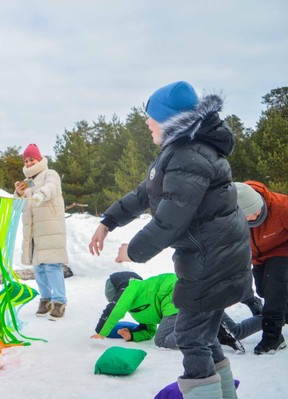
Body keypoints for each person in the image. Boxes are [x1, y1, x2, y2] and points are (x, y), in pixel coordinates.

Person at [88, 81, 252, 399]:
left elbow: (171, 220)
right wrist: (108, 220)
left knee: (190, 337)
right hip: (215, 258)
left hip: (211, 262)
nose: (147, 122)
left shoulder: (189, 155)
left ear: (169, 119)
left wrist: (132, 251)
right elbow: (143, 194)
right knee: (202, 337)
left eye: (151, 116)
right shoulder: (178, 153)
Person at [91, 272, 262, 353]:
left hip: (177, 296)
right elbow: (150, 330)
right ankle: (275, 317)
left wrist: (101, 332)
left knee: (162, 340)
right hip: (196, 296)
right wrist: (133, 336)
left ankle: (208, 331)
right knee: (236, 331)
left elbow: (115, 309)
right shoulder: (135, 310)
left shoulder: (132, 286)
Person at [14, 144, 69, 320]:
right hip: (34, 231)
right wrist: (19, 193)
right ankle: (45, 299)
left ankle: (59, 301)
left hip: (50, 228)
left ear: (39, 159)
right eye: (26, 160)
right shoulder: (27, 181)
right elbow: (17, 207)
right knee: (39, 267)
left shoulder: (49, 174)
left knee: (52, 265)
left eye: (32, 159)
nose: (29, 163)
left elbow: (51, 188)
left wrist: (39, 194)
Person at [235, 181, 288, 354]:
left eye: (256, 211)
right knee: (263, 290)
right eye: (247, 216)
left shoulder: (281, 206)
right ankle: (283, 312)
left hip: (282, 250)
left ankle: (273, 337)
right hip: (258, 257)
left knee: (274, 289)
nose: (254, 217)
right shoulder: (229, 216)